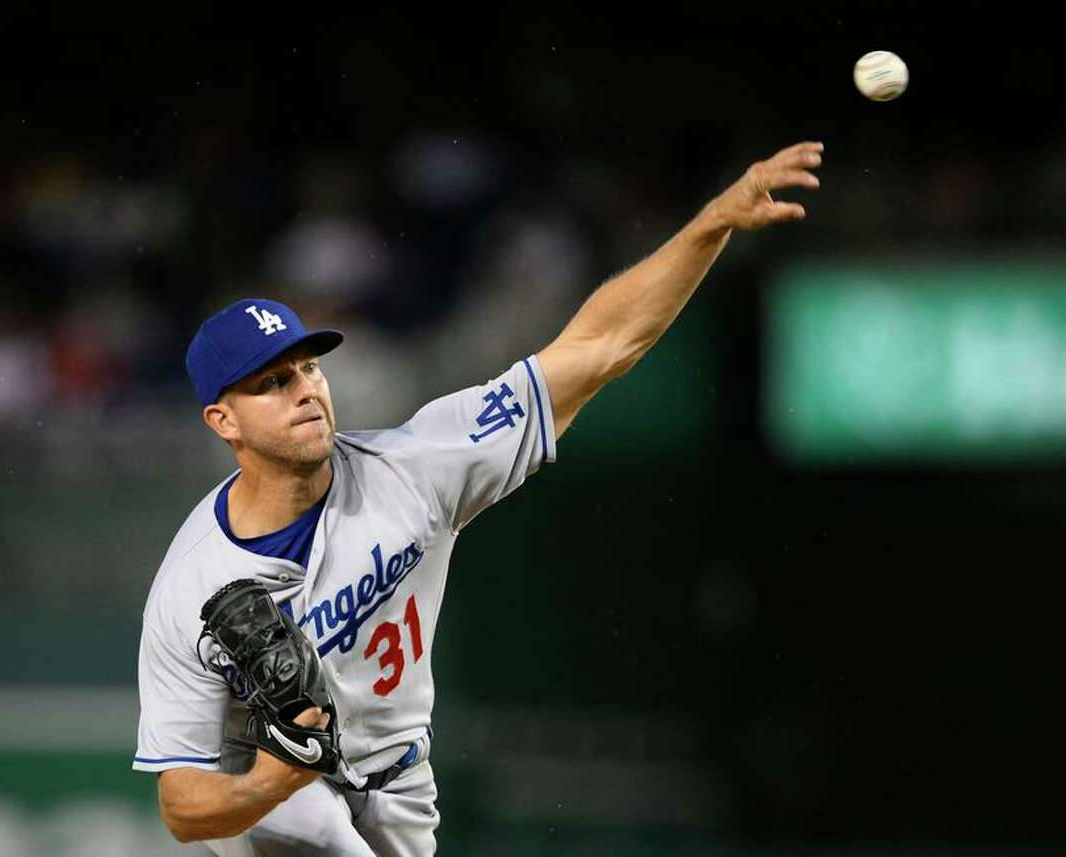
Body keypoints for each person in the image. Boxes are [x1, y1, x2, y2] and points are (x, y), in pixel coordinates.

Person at [132, 141, 823, 856]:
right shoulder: (193, 583)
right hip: (272, 806)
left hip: (399, 786)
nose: (306, 388)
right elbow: (182, 806)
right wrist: (266, 784)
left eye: (309, 367)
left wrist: (710, 224)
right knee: (314, 821)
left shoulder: (415, 467)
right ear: (223, 421)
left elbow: (600, 345)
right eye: (273, 382)